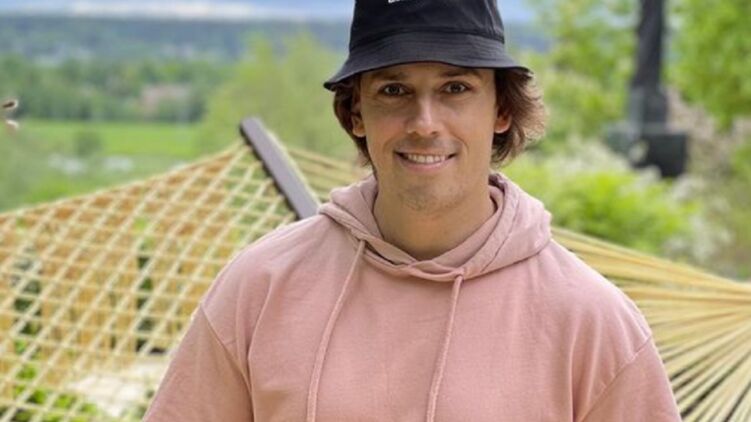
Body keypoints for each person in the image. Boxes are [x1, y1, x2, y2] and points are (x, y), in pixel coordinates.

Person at [144, 0, 681, 421]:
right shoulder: (260, 288)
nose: (424, 123)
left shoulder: (591, 320)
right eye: (395, 90)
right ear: (356, 113)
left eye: (456, 88)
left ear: (501, 109)